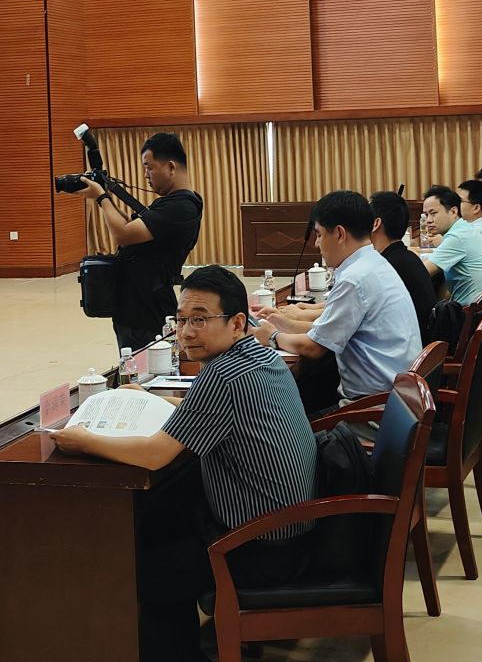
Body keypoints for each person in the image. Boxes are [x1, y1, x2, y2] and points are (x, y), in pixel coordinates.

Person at [50, 266, 316, 662]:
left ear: (236, 323)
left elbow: (154, 454)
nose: (186, 332)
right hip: (290, 528)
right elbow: (211, 412)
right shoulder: (260, 356)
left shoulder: (222, 375)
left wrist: (83, 440)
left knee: (148, 570)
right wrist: (153, 400)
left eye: (200, 320)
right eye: (181, 319)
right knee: (162, 516)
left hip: (260, 547)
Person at [255, 191, 422, 407]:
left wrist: (272, 336)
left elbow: (313, 348)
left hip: (373, 409)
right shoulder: (375, 263)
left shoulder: (355, 278)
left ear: (340, 234)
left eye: (319, 235)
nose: (317, 244)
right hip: (398, 398)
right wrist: (283, 322)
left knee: (281, 414)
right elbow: (331, 330)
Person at [67, 132, 203, 353]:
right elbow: (130, 225)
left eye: (149, 167)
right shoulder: (173, 203)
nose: (146, 175)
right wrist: (104, 197)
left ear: (170, 167)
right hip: (137, 305)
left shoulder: (181, 206)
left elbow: (123, 234)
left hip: (147, 311)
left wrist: (101, 197)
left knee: (146, 367)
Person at [421, 185, 482, 305]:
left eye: (433, 213)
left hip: (478, 311)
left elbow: (422, 272)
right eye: (426, 215)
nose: (428, 220)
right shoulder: (463, 228)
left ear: (453, 211)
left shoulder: (458, 236)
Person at [371, 189, 439, 340]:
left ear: (376, 223)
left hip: (411, 346)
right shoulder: (408, 257)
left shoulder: (387, 266)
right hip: (425, 343)